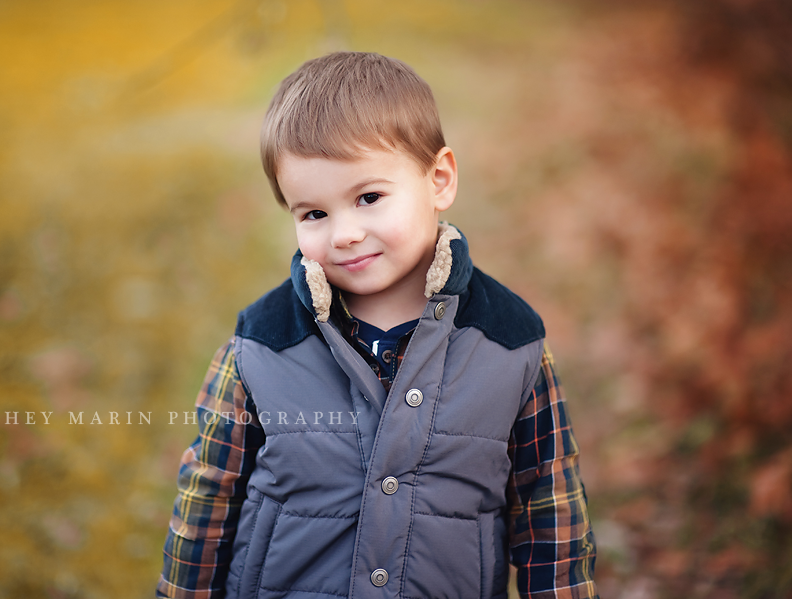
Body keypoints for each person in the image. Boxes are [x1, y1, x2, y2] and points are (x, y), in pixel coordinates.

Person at [157, 51, 597, 599]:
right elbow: (205, 502)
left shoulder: (510, 345)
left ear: (439, 180)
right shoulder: (260, 347)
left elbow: (550, 518)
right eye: (313, 213)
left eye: (369, 198)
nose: (343, 233)